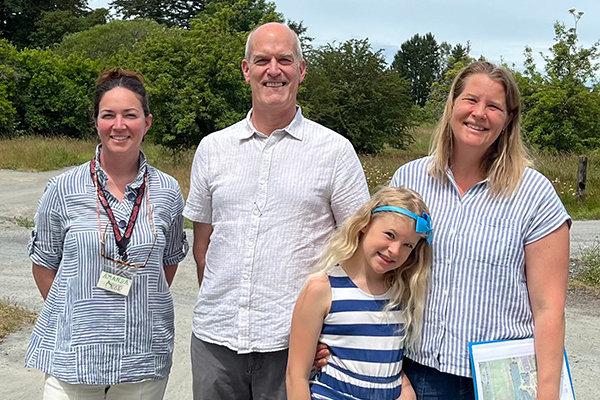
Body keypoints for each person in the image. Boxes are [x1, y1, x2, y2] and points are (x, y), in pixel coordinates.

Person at [183, 22, 370, 400]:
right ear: (245, 70)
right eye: (262, 60)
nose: (273, 70)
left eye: (285, 60)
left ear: (301, 71)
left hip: (294, 348)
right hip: (215, 343)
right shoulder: (212, 148)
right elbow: (203, 244)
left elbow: (357, 250)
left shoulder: (334, 152)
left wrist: (329, 328)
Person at [389, 61, 571, 399]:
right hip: (420, 377)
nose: (479, 113)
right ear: (453, 105)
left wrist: (548, 391)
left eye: (494, 106)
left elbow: (549, 307)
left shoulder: (535, 194)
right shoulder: (409, 181)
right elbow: (383, 282)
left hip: (501, 381)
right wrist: (392, 374)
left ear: (508, 120)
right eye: (471, 100)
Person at [26, 68, 188, 399]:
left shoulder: (168, 191)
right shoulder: (63, 188)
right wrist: (81, 311)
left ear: (147, 122)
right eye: (108, 115)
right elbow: (43, 264)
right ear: (96, 122)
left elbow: (166, 265)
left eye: (130, 115)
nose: (119, 125)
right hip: (75, 358)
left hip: (142, 356)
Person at [286, 187, 433, 400]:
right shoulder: (322, 288)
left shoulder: (401, 294)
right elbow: (295, 376)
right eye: (390, 235)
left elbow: (387, 365)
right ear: (365, 223)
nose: (395, 250)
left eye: (407, 245)